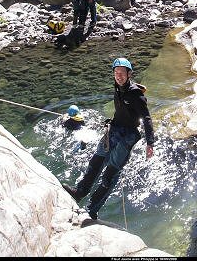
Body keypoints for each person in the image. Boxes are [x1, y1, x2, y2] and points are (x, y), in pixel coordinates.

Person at [62, 57, 155, 220]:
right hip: (114, 129)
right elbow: (121, 111)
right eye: (116, 73)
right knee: (96, 161)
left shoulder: (135, 94)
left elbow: (146, 118)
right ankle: (80, 192)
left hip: (128, 136)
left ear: (129, 74)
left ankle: (92, 209)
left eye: (122, 73)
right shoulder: (118, 88)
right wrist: (112, 121)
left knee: (109, 174)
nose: (119, 76)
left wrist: (150, 143)